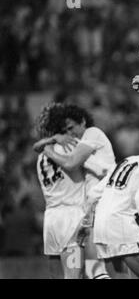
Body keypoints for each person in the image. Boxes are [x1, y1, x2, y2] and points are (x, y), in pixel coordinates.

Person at [35, 103, 115, 279]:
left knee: (63, 274)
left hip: (51, 219)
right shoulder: (71, 147)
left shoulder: (41, 155)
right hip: (72, 217)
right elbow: (97, 168)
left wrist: (45, 144)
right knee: (85, 272)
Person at [89, 155, 139, 279]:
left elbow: (93, 194)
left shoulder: (127, 161)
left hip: (100, 223)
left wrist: (86, 222)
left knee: (120, 276)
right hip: (120, 223)